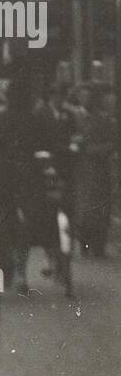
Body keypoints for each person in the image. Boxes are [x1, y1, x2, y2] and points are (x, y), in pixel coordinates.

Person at [72, 87, 117, 258]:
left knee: (100, 210)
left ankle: (98, 245)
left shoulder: (105, 120)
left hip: (99, 171)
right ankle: (85, 243)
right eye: (82, 97)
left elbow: (112, 143)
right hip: (83, 170)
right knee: (84, 210)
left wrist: (92, 150)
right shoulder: (76, 117)